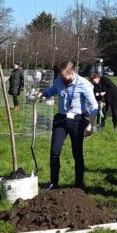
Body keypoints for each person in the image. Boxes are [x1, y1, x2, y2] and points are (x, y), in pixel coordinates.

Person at [36, 61, 98, 189]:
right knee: (54, 152)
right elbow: (53, 90)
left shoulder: (84, 84)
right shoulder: (59, 80)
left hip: (77, 121)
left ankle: (79, 184)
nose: (63, 80)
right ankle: (53, 183)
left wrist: (91, 125)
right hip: (61, 120)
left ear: (72, 73)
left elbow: (94, 106)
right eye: (61, 77)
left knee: (77, 153)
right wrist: (42, 94)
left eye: (65, 78)